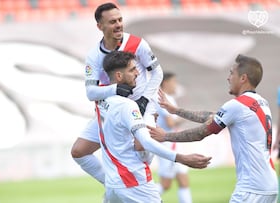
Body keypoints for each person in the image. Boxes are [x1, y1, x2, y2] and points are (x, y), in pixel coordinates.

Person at [148, 54, 278, 203]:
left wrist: (165, 136)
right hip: (270, 184)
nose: (228, 78)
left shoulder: (237, 105)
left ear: (243, 78)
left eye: (231, 73)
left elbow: (201, 132)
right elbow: (211, 116)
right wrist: (177, 110)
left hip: (251, 187)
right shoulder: (261, 102)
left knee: (168, 183)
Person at [98, 50, 211, 202]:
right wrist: (181, 158)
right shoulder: (127, 105)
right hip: (135, 183)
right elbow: (143, 143)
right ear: (119, 76)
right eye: (132, 70)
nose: (137, 73)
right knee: (167, 183)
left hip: (113, 184)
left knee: (178, 182)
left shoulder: (102, 101)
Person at [71, 2, 163, 185]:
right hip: (112, 111)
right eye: (112, 22)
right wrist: (115, 89)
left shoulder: (137, 44)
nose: (119, 24)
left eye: (120, 20)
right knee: (79, 151)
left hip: (142, 106)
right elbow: (90, 92)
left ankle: (139, 189)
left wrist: (145, 100)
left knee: (141, 148)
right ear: (100, 26)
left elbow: (157, 72)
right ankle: (115, 184)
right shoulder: (94, 56)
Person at [153, 72, 192, 203]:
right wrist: (184, 117)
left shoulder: (170, 98)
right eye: (174, 81)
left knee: (183, 181)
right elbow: (170, 123)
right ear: (165, 83)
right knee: (166, 184)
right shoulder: (161, 99)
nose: (176, 85)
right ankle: (136, 197)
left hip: (175, 143)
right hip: (167, 145)